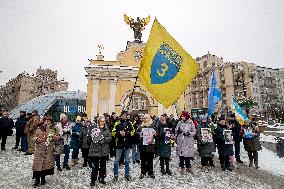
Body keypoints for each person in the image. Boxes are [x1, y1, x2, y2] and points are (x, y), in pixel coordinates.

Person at [32, 117, 58, 187]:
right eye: (46, 121)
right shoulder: (38, 129)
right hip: (39, 151)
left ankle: (43, 179)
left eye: (49, 121)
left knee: (44, 166)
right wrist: (37, 139)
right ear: (43, 121)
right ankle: (37, 180)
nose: (47, 122)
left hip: (48, 151)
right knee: (37, 166)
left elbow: (57, 137)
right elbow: (33, 137)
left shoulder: (52, 129)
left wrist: (54, 137)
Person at [111, 110, 134, 181]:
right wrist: (119, 133)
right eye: (123, 114)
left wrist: (127, 133)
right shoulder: (117, 123)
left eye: (126, 114)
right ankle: (115, 175)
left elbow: (133, 132)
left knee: (127, 160)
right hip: (119, 145)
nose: (125, 116)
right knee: (116, 160)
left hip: (127, 144)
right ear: (121, 115)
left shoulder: (130, 123)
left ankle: (127, 175)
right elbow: (113, 133)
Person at [88, 116, 111, 186]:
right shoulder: (94, 128)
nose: (103, 122)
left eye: (104, 121)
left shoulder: (107, 129)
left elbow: (110, 137)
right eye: (101, 121)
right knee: (95, 167)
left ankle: (102, 178)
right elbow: (89, 139)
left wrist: (104, 140)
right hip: (95, 151)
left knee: (103, 167)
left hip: (104, 151)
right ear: (98, 121)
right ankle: (93, 180)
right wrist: (92, 138)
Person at [138, 114, 156, 179]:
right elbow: (137, 132)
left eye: (146, 118)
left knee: (150, 160)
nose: (144, 119)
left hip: (150, 146)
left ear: (149, 118)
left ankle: (150, 172)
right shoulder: (141, 125)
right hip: (143, 146)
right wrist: (139, 134)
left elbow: (157, 134)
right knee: (143, 160)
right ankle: (143, 172)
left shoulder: (153, 125)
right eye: (144, 118)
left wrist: (155, 133)